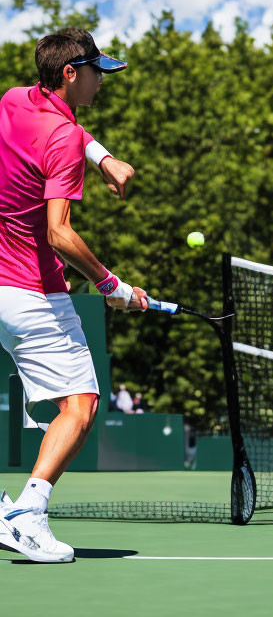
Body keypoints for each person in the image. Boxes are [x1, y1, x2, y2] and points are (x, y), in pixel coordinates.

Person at [0, 28, 148, 563]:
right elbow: (59, 232)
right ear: (70, 73)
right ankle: (27, 515)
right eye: (96, 72)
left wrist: (105, 158)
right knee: (81, 405)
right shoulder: (62, 141)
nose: (102, 82)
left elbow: (70, 130)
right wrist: (112, 286)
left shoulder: (15, 101)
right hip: (30, 289)